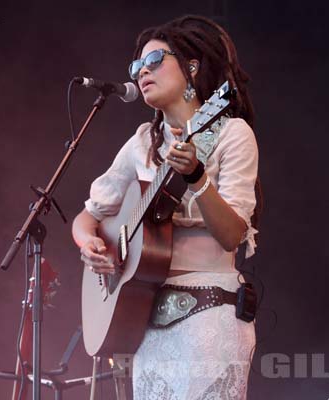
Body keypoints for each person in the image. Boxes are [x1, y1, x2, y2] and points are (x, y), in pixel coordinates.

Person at [72, 15, 260, 399]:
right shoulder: (143, 141)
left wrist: (196, 177)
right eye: (136, 66)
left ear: (192, 67)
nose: (142, 72)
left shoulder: (230, 133)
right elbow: (88, 216)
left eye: (154, 61)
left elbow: (232, 234)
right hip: (147, 322)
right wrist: (89, 245)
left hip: (209, 315)